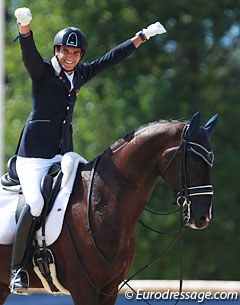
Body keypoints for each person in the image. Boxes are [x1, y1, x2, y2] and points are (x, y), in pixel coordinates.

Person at [10, 7, 166, 294]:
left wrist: (142, 37)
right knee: (34, 204)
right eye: (65, 52)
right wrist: (24, 27)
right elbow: (28, 54)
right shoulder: (43, 72)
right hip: (32, 157)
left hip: (63, 155)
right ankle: (17, 269)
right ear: (57, 51)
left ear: (80, 55)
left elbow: (110, 59)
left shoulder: (79, 75)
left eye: (75, 53)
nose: (70, 57)